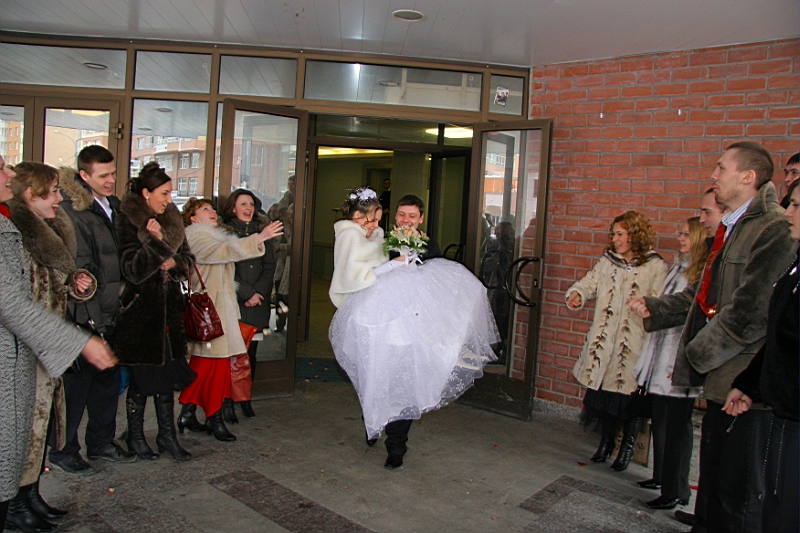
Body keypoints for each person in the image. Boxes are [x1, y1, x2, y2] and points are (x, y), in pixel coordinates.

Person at [627, 142, 795, 533]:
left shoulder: (771, 227)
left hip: (744, 383)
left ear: (748, 177)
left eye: (721, 168)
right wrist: (657, 307)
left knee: (738, 494)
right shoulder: (733, 227)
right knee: (714, 482)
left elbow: (751, 311)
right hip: (720, 380)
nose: (713, 176)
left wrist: (695, 352)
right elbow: (703, 296)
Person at [328, 187, 499, 470]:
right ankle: (373, 421)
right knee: (376, 375)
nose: (406, 220)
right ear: (395, 216)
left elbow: (437, 287)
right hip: (380, 323)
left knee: (405, 381)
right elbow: (362, 271)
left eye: (412, 216)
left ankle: (397, 446)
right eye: (402, 215)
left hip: (412, 326)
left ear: (420, 218)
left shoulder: (430, 247)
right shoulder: (380, 240)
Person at [0, 155, 116, 532]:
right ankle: (16, 502)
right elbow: (15, 301)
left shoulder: (40, 227)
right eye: (52, 192)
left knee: (35, 427)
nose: (59, 198)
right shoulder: (15, 230)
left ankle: (28, 494)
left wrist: (76, 283)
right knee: (23, 431)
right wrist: (79, 342)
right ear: (31, 195)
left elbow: (50, 284)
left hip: (37, 346)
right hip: (27, 345)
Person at [48, 146, 136, 478]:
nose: (111, 180)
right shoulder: (72, 211)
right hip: (84, 314)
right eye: (103, 175)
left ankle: (100, 443)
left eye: (113, 173)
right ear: (84, 175)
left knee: (105, 383)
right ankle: (63, 450)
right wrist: (90, 318)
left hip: (110, 311)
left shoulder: (113, 205)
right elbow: (79, 269)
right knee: (75, 389)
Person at [723, 179, 799, 533]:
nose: (788, 213)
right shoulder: (796, 265)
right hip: (784, 408)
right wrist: (750, 384)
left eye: (796, 205)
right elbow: (780, 337)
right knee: (776, 503)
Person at [565, 210, 667, 472]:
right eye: (614, 234)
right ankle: (606, 442)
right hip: (605, 342)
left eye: (620, 234)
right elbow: (590, 282)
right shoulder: (608, 262)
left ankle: (628, 446)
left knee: (630, 399)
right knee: (606, 397)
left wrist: (647, 309)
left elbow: (661, 301)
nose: (615, 239)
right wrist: (577, 294)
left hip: (633, 344)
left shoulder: (655, 265)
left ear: (635, 235)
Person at [179, 198, 282, 441]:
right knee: (212, 366)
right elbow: (223, 252)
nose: (212, 212)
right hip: (211, 312)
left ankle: (190, 412)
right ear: (193, 218)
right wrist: (258, 238)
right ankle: (211, 416)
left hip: (220, 311)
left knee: (213, 366)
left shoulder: (212, 237)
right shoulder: (196, 236)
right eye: (205, 209)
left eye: (212, 208)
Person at [114, 162, 196, 462]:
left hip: (169, 313)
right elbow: (131, 270)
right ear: (146, 193)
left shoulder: (172, 219)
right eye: (164, 193)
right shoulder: (126, 219)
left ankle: (167, 435)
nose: (169, 199)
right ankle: (135, 435)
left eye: (171, 193)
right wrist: (155, 243)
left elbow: (188, 260)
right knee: (141, 379)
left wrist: (175, 264)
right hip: (140, 314)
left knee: (167, 377)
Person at [632, 217, 707, 510]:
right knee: (661, 420)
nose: (680, 238)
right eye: (680, 232)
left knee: (678, 426)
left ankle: (676, 491)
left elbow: (685, 311)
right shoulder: (677, 267)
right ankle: (661, 477)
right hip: (662, 352)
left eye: (687, 234)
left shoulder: (699, 273)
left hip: (678, 358)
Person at [219, 189, 277, 420]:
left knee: (250, 355)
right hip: (235, 302)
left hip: (257, 304)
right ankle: (226, 401)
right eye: (243, 204)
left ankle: (244, 398)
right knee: (231, 355)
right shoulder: (224, 233)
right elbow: (226, 268)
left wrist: (259, 293)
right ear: (233, 208)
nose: (248, 208)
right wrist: (247, 293)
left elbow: (269, 265)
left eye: (251, 204)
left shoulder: (262, 232)